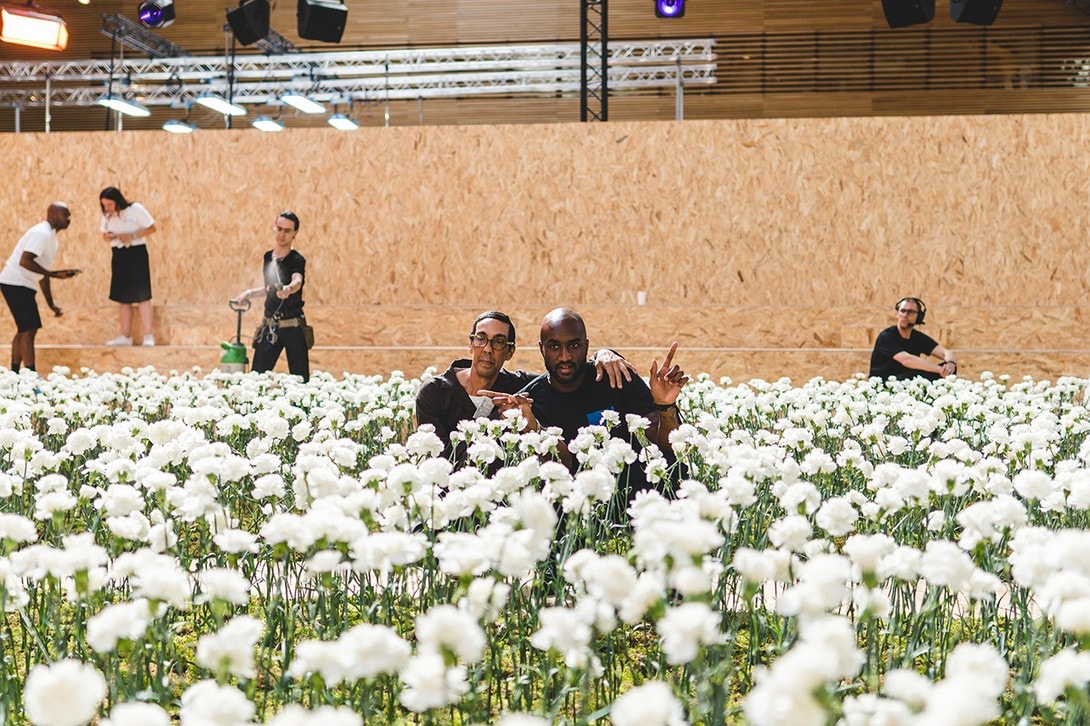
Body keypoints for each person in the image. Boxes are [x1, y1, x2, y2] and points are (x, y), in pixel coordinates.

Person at [498, 308, 688, 497]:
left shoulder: (617, 378)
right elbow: (563, 464)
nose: (565, 356)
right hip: (577, 512)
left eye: (574, 345)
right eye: (554, 346)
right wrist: (532, 427)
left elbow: (667, 445)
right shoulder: (531, 403)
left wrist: (665, 406)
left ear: (586, 346)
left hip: (636, 501)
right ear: (542, 349)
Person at [415, 310, 637, 461]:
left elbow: (563, 371)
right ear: (471, 344)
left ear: (510, 352)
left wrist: (604, 354)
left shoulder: (522, 388)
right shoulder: (435, 393)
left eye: (499, 342)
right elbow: (437, 459)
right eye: (481, 339)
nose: (488, 349)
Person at [0, 202, 80, 372]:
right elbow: (25, 261)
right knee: (29, 328)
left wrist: (51, 304)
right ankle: (30, 375)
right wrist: (54, 274)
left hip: (22, 284)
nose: (68, 219)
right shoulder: (42, 233)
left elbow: (43, 273)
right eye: (65, 214)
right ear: (52, 214)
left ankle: (14, 373)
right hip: (15, 282)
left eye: (69, 215)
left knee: (24, 328)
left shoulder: (51, 238)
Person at [232, 211, 309, 382]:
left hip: (292, 325)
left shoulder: (297, 259)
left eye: (287, 231)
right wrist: (250, 294)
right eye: (279, 229)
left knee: (300, 379)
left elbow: (297, 280)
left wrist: (289, 288)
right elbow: (269, 288)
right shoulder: (268, 257)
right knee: (256, 377)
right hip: (270, 326)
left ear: (295, 233)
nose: (281, 234)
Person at [100, 187, 157, 346]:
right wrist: (109, 236)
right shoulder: (106, 216)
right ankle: (125, 336)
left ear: (118, 201)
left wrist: (131, 236)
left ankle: (148, 336)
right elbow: (104, 234)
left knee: (143, 295)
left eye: (110, 204)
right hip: (118, 253)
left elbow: (152, 227)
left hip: (136, 252)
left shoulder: (135, 209)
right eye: (104, 205)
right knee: (122, 297)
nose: (107, 208)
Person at [869, 296, 958, 381]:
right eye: (902, 311)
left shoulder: (917, 337)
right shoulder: (887, 336)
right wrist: (940, 369)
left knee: (950, 370)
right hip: (886, 383)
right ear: (897, 314)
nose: (905, 315)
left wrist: (950, 364)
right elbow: (907, 360)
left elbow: (946, 352)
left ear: (919, 316)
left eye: (910, 312)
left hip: (907, 380)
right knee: (915, 375)